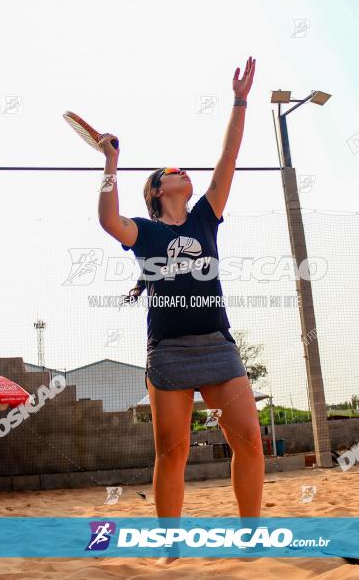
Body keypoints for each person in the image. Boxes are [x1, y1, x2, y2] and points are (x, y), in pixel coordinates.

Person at [96, 58, 263, 541]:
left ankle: (250, 536)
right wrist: (110, 164)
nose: (181, 171)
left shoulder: (205, 217)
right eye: (170, 171)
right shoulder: (145, 232)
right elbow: (109, 220)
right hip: (168, 352)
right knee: (174, 453)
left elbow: (228, 158)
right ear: (155, 190)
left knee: (250, 442)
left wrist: (239, 101)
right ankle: (169, 545)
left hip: (217, 345)